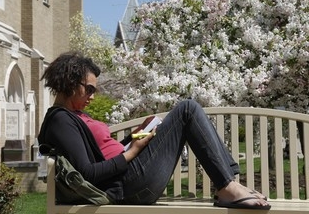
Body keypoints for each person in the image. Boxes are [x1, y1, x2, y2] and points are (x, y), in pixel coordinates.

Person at [38, 51, 271, 210]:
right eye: (89, 89)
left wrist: (134, 137)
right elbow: (88, 173)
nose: (92, 96)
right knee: (187, 109)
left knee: (185, 111)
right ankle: (227, 186)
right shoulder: (61, 121)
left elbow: (104, 153)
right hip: (127, 187)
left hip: (130, 177)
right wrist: (132, 152)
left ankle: (229, 183)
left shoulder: (76, 116)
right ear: (69, 82)